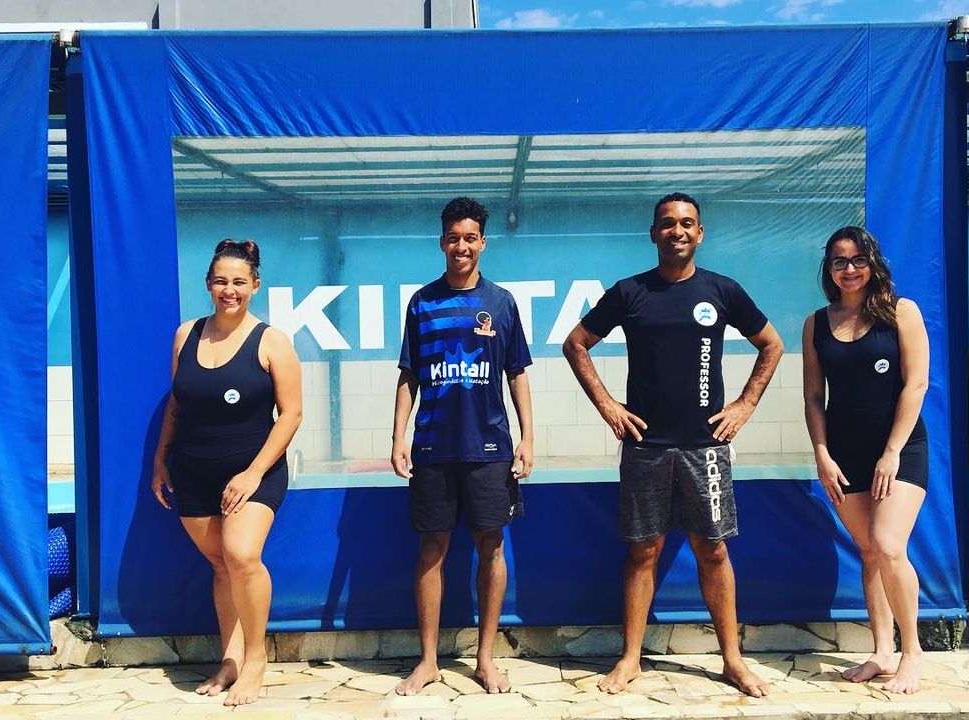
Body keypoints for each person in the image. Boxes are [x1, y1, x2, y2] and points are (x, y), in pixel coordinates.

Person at [563, 192, 783, 696]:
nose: (677, 231)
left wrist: (745, 404)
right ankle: (630, 659)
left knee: (713, 550)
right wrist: (608, 406)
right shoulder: (630, 292)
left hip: (706, 447)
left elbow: (772, 344)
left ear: (699, 233)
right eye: (667, 223)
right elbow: (575, 343)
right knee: (644, 551)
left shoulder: (722, 290)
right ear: (653, 233)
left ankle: (732, 660)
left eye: (686, 223)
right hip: (647, 447)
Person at [391, 197, 535, 695]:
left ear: (482, 243)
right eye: (453, 238)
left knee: (491, 547)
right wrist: (398, 436)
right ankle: (429, 661)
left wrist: (527, 438)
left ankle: (485, 659)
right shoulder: (422, 302)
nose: (461, 246)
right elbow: (409, 375)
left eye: (470, 238)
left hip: (490, 448)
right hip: (432, 446)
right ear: (442, 242)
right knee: (431, 549)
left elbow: (516, 374)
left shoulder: (502, 303)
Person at [150, 239, 302, 707]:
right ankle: (231, 659)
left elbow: (292, 413)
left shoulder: (272, 341)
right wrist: (160, 458)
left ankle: (256, 660)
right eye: (220, 281)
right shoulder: (186, 335)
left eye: (239, 282)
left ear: (255, 285)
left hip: (253, 471)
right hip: (193, 471)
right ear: (207, 285)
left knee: (241, 554)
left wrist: (253, 473)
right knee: (221, 564)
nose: (229, 290)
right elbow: (177, 403)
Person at [801, 225, 930, 694]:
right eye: (839, 261)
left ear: (872, 264)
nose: (849, 269)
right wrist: (822, 454)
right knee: (870, 551)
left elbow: (916, 385)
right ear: (829, 269)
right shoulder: (817, 323)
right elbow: (813, 397)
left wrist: (891, 453)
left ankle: (912, 652)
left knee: (889, 544)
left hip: (900, 449)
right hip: (844, 453)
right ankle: (882, 651)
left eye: (858, 260)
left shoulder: (901, 312)